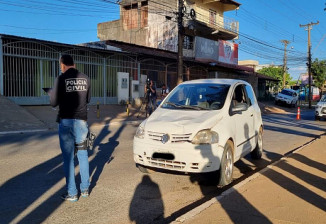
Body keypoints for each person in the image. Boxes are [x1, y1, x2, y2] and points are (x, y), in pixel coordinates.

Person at [49, 54, 91, 202]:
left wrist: (51, 94)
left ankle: (72, 193)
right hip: (81, 122)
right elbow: (87, 99)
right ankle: (85, 190)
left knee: (68, 159)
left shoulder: (60, 79)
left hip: (66, 122)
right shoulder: (85, 78)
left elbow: (54, 103)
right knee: (83, 154)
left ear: (62, 65)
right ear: (74, 63)